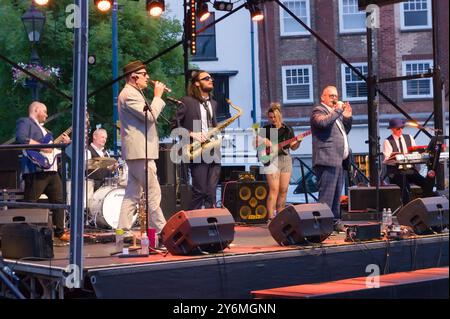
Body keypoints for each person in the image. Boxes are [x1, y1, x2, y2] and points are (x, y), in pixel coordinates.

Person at [116, 60, 167, 240]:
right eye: (144, 75)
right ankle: (162, 230)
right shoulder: (130, 94)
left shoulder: (134, 93)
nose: (148, 78)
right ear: (133, 77)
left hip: (139, 152)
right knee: (153, 191)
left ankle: (122, 233)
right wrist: (158, 96)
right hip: (140, 153)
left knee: (132, 194)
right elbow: (150, 116)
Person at [16, 101, 71, 243]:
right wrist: (42, 146)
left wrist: (64, 144)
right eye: (44, 111)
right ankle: (28, 232)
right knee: (31, 202)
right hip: (36, 170)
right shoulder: (25, 122)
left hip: (51, 171)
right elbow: (21, 139)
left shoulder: (48, 132)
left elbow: (52, 151)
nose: (46, 115)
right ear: (36, 110)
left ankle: (59, 232)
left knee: (59, 201)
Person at [175, 70, 221, 210]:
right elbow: (174, 125)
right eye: (206, 78)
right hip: (197, 150)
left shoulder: (213, 103)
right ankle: (190, 222)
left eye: (211, 78)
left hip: (213, 150)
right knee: (199, 190)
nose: (210, 80)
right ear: (196, 83)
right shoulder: (187, 101)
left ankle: (210, 224)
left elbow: (212, 125)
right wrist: (192, 134)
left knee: (211, 192)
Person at [310, 86, 352, 225]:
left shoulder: (335, 114)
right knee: (327, 196)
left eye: (336, 95)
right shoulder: (319, 110)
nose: (334, 98)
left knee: (336, 197)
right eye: (331, 95)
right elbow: (323, 123)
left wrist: (347, 117)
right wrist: (338, 110)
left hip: (338, 159)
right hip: (326, 159)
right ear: (323, 97)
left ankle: (334, 222)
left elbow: (344, 131)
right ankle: (322, 225)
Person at [256, 103, 300, 220]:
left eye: (275, 117)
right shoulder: (265, 129)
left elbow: (293, 147)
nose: (273, 119)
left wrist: (298, 141)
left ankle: (280, 217)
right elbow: (258, 147)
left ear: (279, 116)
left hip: (285, 159)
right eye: (270, 117)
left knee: (283, 190)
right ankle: (270, 219)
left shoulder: (287, 129)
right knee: (274, 189)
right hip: (271, 160)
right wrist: (262, 141)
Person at [382, 118, 429, 204]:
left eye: (401, 128)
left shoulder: (409, 137)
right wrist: (397, 158)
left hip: (409, 170)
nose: (400, 130)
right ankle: (407, 208)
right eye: (397, 128)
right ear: (392, 129)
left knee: (426, 183)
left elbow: (415, 152)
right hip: (396, 172)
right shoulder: (388, 141)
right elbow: (387, 159)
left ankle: (425, 204)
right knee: (405, 187)